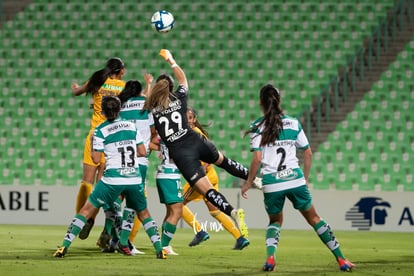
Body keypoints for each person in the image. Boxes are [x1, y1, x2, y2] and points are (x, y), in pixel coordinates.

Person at [240, 84, 355, 272]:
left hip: (272, 182)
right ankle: (341, 260)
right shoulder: (293, 123)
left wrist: (248, 182)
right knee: (315, 219)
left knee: (275, 221)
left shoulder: (257, 126)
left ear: (261, 102)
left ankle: (270, 258)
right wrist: (306, 179)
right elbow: (308, 153)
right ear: (279, 101)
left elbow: (257, 158)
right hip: (295, 178)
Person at [143, 49, 249, 240]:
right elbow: (183, 80)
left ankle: (172, 242)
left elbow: (148, 104)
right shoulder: (181, 105)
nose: (189, 119)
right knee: (195, 204)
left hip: (180, 168)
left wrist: (149, 85)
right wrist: (171, 60)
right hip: (196, 159)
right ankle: (238, 226)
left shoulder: (153, 110)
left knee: (178, 207)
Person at [53, 96, 166, 259]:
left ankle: (64, 247)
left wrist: (96, 145)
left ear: (103, 112)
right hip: (133, 178)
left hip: (112, 179)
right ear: (119, 109)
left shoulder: (100, 130)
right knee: (144, 214)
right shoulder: (132, 126)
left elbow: (97, 159)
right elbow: (142, 152)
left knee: (85, 211)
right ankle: (159, 250)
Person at [96, 77, 157, 255]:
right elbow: (153, 132)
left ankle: (110, 234)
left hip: (119, 158)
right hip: (140, 159)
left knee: (116, 200)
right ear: (139, 91)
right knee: (135, 203)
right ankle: (125, 242)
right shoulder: (146, 105)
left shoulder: (120, 106)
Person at [71, 57, 126, 239]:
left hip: (95, 135)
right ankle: (101, 224)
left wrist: (75, 86)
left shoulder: (96, 81)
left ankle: (81, 218)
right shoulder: (123, 88)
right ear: (121, 71)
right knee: (103, 184)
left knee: (86, 181)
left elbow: (77, 92)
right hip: (113, 137)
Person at [182, 107, 249, 250]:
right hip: (211, 176)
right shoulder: (195, 133)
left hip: (201, 177)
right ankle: (240, 237)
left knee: (176, 203)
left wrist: (200, 172)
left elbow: (206, 159)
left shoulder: (194, 134)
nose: (186, 120)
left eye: (189, 118)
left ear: (194, 120)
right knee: (214, 210)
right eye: (184, 117)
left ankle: (200, 231)